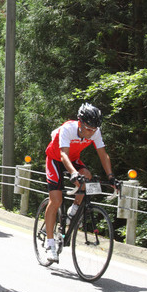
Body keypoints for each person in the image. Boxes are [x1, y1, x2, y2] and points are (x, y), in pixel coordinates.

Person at [43, 102, 116, 262]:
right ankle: (49, 244)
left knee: (87, 177)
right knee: (55, 200)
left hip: (73, 159)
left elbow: (103, 154)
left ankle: (74, 209)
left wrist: (110, 176)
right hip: (56, 159)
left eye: (94, 130)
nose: (91, 133)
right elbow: (63, 155)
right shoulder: (68, 129)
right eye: (88, 129)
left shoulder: (95, 131)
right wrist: (73, 173)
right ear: (80, 122)